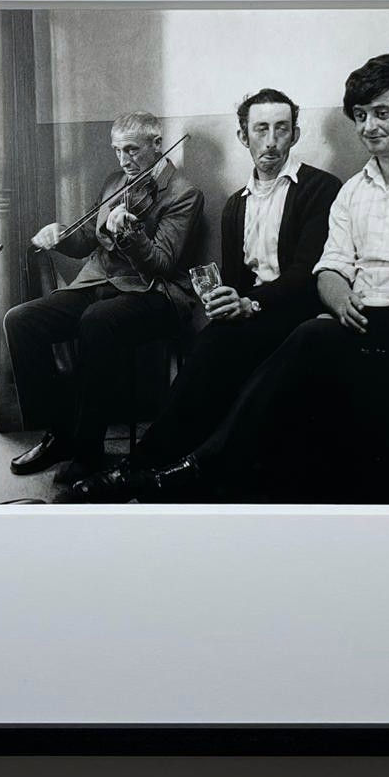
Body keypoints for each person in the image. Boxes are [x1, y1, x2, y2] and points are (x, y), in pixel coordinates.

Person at [65, 52, 389, 503]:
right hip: (346, 321)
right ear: (244, 137)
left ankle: (192, 471)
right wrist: (333, 302)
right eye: (361, 116)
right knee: (218, 339)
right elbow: (332, 266)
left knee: (306, 337)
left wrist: (359, 313)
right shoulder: (352, 188)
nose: (368, 127)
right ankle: (143, 465)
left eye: (382, 113)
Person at [62, 89, 341, 500]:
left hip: (296, 311)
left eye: (281, 129)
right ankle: (151, 467)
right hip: (252, 312)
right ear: (244, 136)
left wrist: (251, 303)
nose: (271, 141)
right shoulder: (236, 205)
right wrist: (225, 299)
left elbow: (305, 273)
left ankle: (154, 471)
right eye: (260, 129)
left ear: (295, 135)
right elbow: (232, 277)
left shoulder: (320, 188)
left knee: (221, 348)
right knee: (209, 342)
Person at [3, 111, 205, 481]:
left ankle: (88, 449)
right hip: (98, 282)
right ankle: (59, 433)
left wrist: (131, 234)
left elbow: (161, 263)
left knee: (97, 321)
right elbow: (86, 242)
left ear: (157, 145)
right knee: (21, 320)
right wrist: (61, 234)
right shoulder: (115, 183)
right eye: (117, 151)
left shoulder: (184, 194)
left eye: (132, 150)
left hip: (153, 292)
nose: (124, 160)